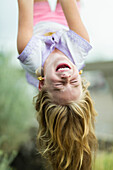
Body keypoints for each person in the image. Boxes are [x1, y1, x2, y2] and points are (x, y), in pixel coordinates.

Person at [17, 0, 97, 169]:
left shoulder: (29, 52)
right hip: (64, 21)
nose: (66, 77)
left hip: (37, 18)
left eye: (59, 85)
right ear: (80, 77)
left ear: (42, 85)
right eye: (74, 82)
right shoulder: (79, 46)